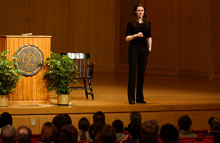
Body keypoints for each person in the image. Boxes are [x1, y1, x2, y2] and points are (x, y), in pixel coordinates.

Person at [125, 4, 152, 104]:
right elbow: (126, 38)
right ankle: (131, 98)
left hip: (144, 49)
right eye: (138, 10)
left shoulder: (147, 23)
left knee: (141, 73)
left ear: (144, 12)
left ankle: (140, 97)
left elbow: (149, 36)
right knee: (132, 73)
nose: (140, 12)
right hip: (134, 48)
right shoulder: (131, 23)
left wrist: (149, 48)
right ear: (135, 12)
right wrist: (135, 35)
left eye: (142, 10)